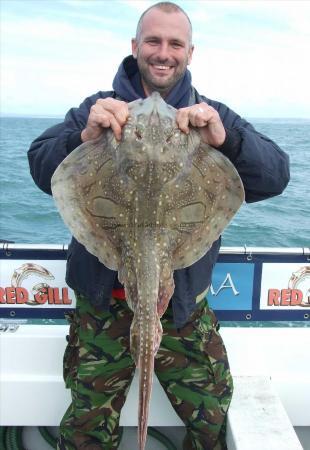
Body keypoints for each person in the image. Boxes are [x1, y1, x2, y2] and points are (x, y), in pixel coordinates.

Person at [28, 2, 290, 449]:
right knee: (88, 432)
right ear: (135, 47)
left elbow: (276, 176)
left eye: (175, 43)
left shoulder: (212, 117)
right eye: (153, 41)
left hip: (184, 308)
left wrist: (226, 141)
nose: (163, 52)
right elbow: (41, 165)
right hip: (100, 309)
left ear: (190, 52)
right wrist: (84, 138)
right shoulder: (98, 110)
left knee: (211, 423)